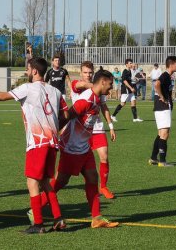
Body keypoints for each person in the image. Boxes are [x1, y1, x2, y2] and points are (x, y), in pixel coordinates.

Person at [0, 57, 69, 234]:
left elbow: (3, 96)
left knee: (32, 182)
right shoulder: (55, 91)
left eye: (28, 69)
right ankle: (59, 219)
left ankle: (38, 224)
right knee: (46, 182)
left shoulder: (28, 88)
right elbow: (65, 115)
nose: (26, 72)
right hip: (53, 142)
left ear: (35, 71)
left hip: (37, 142)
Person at [40, 67, 119, 228]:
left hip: (84, 147)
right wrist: (53, 136)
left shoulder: (97, 98)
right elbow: (67, 115)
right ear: (102, 82)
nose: (112, 87)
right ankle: (35, 209)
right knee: (61, 182)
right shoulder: (87, 100)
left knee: (92, 178)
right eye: (110, 84)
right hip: (72, 148)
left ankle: (96, 218)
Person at [70, 62, 116, 199]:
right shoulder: (76, 85)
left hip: (97, 127)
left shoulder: (99, 88)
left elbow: (104, 107)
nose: (88, 75)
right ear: (80, 73)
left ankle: (103, 187)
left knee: (104, 156)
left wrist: (111, 126)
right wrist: (98, 84)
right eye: (85, 72)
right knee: (76, 166)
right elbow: (82, 85)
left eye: (90, 72)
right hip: (80, 130)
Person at [148, 56, 176, 167]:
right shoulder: (165, 75)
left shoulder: (168, 76)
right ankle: (162, 161)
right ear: (171, 64)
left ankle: (153, 158)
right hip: (163, 107)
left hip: (160, 107)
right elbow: (157, 84)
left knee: (161, 133)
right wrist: (162, 96)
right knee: (165, 134)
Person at [111, 58, 143, 122]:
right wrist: (131, 88)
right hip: (125, 89)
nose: (131, 64)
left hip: (129, 89)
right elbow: (125, 81)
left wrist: (134, 80)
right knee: (122, 103)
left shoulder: (129, 71)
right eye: (130, 63)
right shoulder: (125, 71)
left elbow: (129, 80)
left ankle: (135, 118)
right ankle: (113, 116)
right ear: (126, 64)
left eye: (132, 63)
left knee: (133, 102)